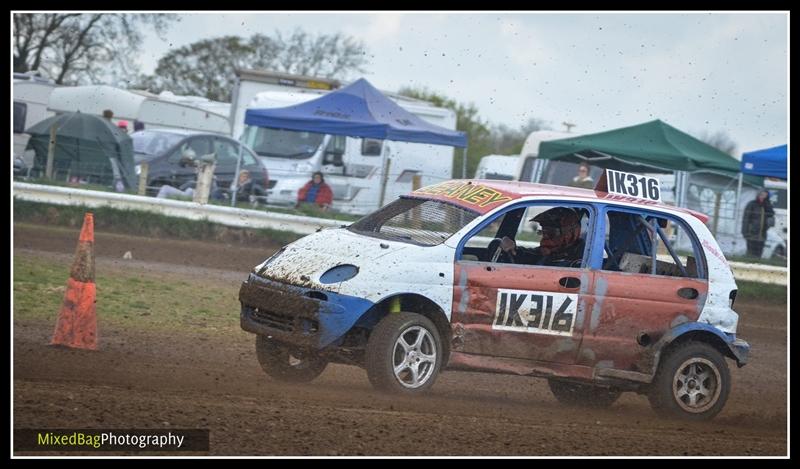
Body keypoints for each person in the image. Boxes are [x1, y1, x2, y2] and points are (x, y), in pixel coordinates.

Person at [499, 207, 585, 267]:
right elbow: (531, 254)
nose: (545, 238)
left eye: (551, 233)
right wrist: (513, 248)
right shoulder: (551, 252)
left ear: (569, 234)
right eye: (543, 232)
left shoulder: (581, 261)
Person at [741, 189, 775, 258]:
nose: (763, 197)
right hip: (751, 233)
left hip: (762, 234)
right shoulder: (752, 204)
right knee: (750, 252)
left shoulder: (767, 206)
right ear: (758, 195)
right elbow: (746, 219)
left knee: (759, 253)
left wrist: (768, 205)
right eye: (761, 194)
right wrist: (745, 232)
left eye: (765, 195)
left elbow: (771, 216)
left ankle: (757, 263)